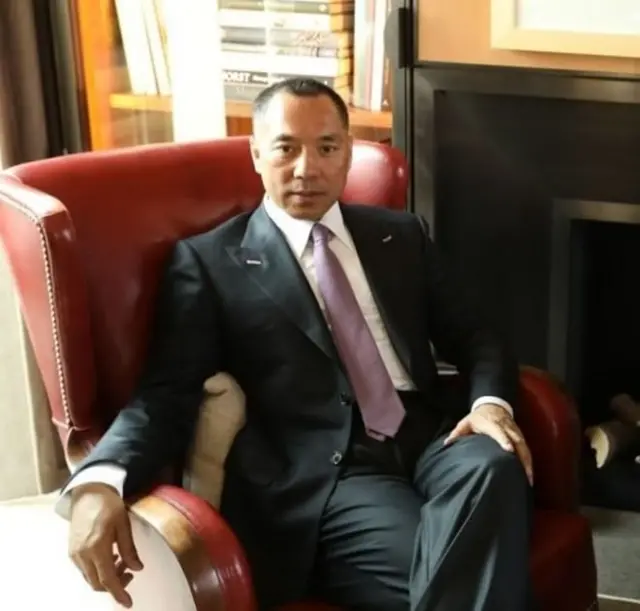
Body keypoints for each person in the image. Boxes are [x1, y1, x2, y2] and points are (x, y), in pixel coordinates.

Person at [62, 77, 535, 611]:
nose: (307, 169)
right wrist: (100, 481)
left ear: (347, 153)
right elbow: (165, 393)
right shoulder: (210, 263)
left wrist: (490, 405)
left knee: (494, 464)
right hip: (332, 471)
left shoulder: (400, 235)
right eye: (286, 148)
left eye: (327, 148)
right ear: (256, 153)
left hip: (433, 436)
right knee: (459, 565)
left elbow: (476, 334)